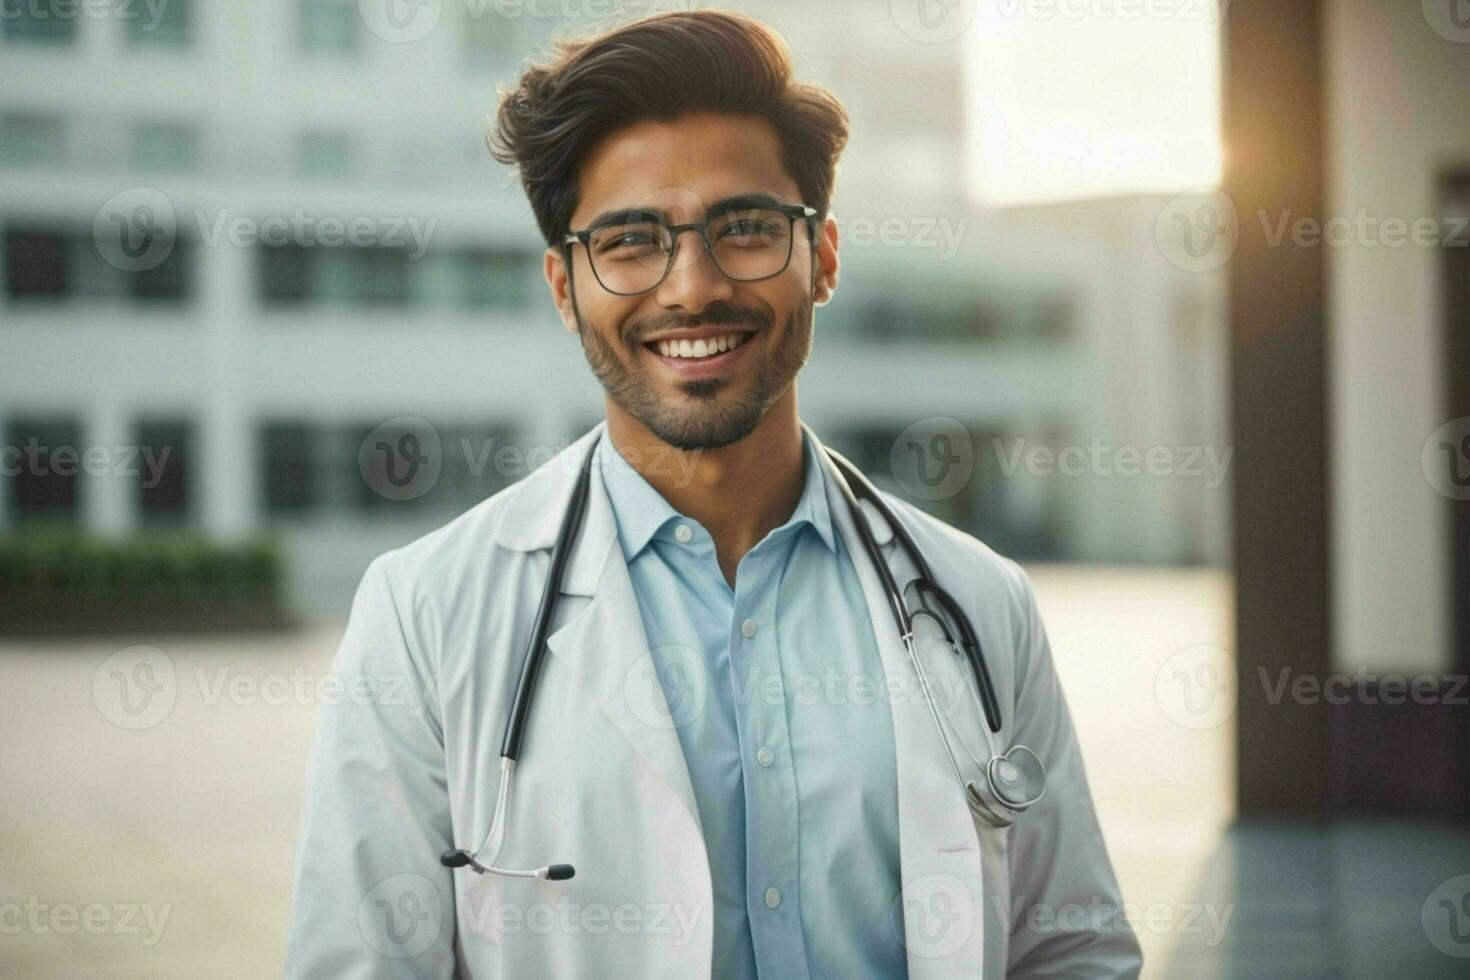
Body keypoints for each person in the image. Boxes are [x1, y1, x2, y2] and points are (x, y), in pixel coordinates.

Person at [284, 9, 1142, 978]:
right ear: (565, 285)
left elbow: (1072, 951)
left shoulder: (981, 603)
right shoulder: (424, 615)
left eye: (743, 228)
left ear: (822, 256)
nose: (691, 287)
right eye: (631, 240)